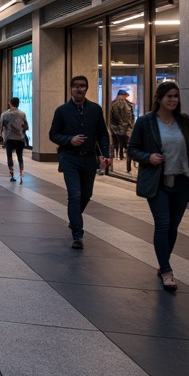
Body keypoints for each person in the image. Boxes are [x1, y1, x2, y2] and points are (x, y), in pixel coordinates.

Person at [127, 81, 189, 291]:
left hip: (182, 181)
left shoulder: (183, 121)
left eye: (176, 96)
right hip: (158, 182)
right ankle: (167, 270)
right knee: (162, 224)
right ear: (159, 98)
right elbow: (132, 149)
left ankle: (163, 264)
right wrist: (148, 157)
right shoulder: (145, 122)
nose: (173, 100)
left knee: (172, 228)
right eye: (169, 96)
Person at [49, 75, 110, 249]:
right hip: (69, 158)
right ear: (71, 88)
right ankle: (78, 234)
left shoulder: (95, 110)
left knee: (86, 195)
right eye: (76, 86)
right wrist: (70, 140)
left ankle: (74, 218)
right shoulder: (62, 111)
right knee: (74, 195)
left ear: (87, 88)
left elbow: (103, 134)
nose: (79, 89)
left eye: (82, 86)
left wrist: (105, 153)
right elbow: (53, 134)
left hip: (89, 159)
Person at [0, 97, 29, 183]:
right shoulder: (22, 114)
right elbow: (26, 126)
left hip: (9, 138)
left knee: (9, 156)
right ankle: (21, 173)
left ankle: (11, 173)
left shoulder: (4, 115)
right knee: (19, 155)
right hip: (19, 138)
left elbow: (1, 127)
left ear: (10, 103)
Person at [110, 89, 135, 170]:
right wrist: (130, 127)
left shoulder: (112, 104)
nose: (125, 97)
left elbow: (112, 116)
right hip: (125, 129)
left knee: (118, 144)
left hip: (116, 128)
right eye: (125, 95)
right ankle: (127, 165)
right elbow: (130, 117)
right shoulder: (127, 104)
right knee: (126, 146)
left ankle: (118, 157)